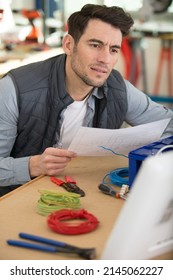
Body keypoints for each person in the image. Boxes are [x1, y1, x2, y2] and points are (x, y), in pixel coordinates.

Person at [0, 4, 173, 196]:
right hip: (18, 199)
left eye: (114, 49)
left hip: (85, 193)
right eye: (95, 45)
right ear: (68, 45)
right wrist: (32, 165)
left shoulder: (118, 88)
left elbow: (168, 125)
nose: (105, 59)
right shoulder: (13, 89)